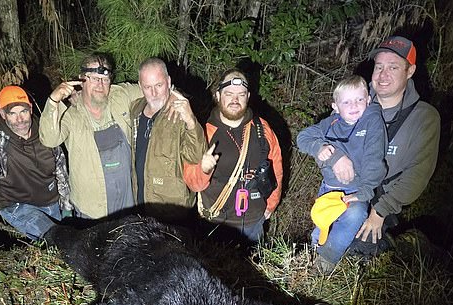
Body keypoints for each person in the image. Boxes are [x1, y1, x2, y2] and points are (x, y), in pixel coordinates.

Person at [349, 36, 440, 254]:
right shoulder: (353, 103)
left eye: (393, 67)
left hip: (382, 201)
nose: (383, 75)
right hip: (349, 193)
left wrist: (380, 212)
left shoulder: (424, 117)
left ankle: (404, 241)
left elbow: (418, 173)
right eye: (379, 66)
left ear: (410, 71)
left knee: (357, 253)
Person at [297, 75, 387, 270]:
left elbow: (374, 160)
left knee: (355, 215)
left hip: (356, 190)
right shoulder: (330, 123)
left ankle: (327, 260)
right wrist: (319, 147)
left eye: (359, 100)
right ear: (336, 106)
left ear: (368, 100)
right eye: (346, 102)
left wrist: (364, 192)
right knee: (322, 222)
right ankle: (309, 258)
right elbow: (302, 138)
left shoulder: (372, 122)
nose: (354, 105)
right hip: (328, 188)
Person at [39, 53, 143, 219]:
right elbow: (49, 140)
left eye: (105, 79)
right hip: (92, 211)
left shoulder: (121, 95)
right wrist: (53, 101)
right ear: (82, 79)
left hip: (128, 205)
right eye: (94, 78)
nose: (100, 84)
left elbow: (153, 88)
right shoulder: (69, 115)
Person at [184, 69, 283, 243]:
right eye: (229, 94)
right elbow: (193, 183)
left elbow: (276, 168)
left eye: (241, 94)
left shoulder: (262, 129)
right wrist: (204, 169)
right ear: (218, 95)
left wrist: (271, 204)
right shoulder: (204, 132)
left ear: (248, 96)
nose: (235, 100)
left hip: (253, 223)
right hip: (214, 223)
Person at [0, 85, 72, 244]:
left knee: (71, 232)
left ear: (30, 109)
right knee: (56, 237)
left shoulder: (46, 131)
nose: (20, 119)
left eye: (23, 111)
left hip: (51, 202)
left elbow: (61, 170)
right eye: (12, 113)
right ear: (3, 114)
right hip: (17, 205)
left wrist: (67, 207)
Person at [130, 58, 206, 221]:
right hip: (141, 202)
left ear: (169, 81)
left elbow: (196, 157)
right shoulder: (135, 109)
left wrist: (191, 121)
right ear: (140, 86)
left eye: (159, 85)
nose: (154, 93)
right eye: (147, 87)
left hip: (172, 210)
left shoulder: (181, 113)